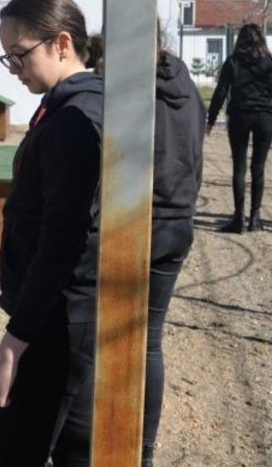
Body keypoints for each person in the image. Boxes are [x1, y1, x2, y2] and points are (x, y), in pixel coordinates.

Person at [55, 31, 205, 466]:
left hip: (135, 225)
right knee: (150, 342)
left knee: (99, 335)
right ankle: (144, 451)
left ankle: (90, 437)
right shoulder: (184, 83)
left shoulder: (124, 94)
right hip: (179, 221)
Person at [0, 0, 103, 467]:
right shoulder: (71, 104)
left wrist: (13, 344)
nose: (14, 68)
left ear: (64, 44)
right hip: (64, 313)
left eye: (20, 55)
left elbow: (63, 241)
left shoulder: (75, 119)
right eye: (7, 57)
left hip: (56, 320)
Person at [205, 24, 272, 233]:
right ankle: (255, 218)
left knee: (239, 167)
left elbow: (221, 91)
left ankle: (238, 217)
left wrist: (211, 120)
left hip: (240, 115)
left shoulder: (233, 62)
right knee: (258, 168)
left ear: (239, 40)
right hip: (266, 117)